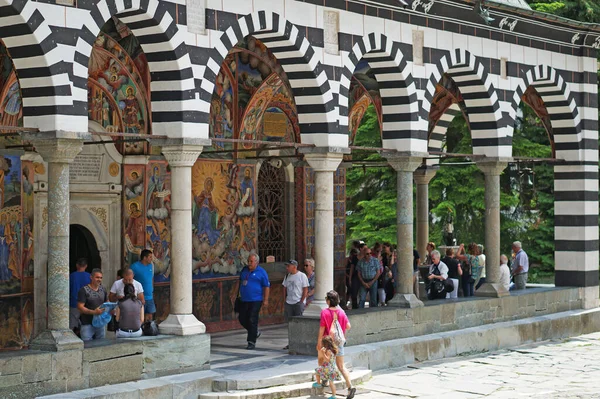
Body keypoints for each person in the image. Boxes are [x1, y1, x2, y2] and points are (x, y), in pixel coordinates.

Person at [317, 291, 356, 399]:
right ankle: (350, 386)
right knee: (341, 366)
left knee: (323, 361)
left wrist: (319, 342)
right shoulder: (342, 313)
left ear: (328, 301)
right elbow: (348, 326)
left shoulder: (324, 312)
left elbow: (322, 329)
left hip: (327, 343)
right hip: (339, 343)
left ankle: (324, 381)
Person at [239, 253, 270, 350]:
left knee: (252, 319)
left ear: (256, 262)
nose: (249, 263)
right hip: (244, 299)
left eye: (251, 261)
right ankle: (255, 332)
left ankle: (251, 341)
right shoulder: (244, 270)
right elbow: (240, 281)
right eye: (248, 261)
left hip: (256, 299)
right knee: (242, 318)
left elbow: (266, 286)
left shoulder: (261, 272)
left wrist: (266, 300)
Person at [282, 259, 309, 350]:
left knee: (299, 322)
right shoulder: (287, 276)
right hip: (289, 302)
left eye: (288, 266)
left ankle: (300, 342)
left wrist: (301, 301)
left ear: (294, 266)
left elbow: (305, 289)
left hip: (298, 302)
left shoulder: (302, 276)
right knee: (290, 323)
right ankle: (291, 342)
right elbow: (284, 288)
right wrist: (284, 299)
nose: (287, 268)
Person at [77, 268, 108, 341]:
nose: (99, 279)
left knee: (101, 344)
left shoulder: (103, 289)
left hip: (100, 322)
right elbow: (80, 307)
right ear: (91, 277)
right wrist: (94, 312)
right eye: (97, 277)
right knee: (87, 345)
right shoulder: (84, 290)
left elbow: (106, 302)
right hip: (87, 323)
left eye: (101, 278)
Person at [130, 249, 155, 321]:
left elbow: (151, 278)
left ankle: (149, 330)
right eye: (150, 257)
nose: (151, 259)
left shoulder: (151, 266)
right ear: (144, 258)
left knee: (150, 316)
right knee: (140, 316)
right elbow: (129, 279)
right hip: (139, 296)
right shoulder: (134, 266)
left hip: (150, 296)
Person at [69, 258, 90, 335]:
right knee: (87, 324)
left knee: (72, 324)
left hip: (74, 303)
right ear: (86, 266)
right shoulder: (90, 276)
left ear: (77, 265)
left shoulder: (72, 276)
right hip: (86, 304)